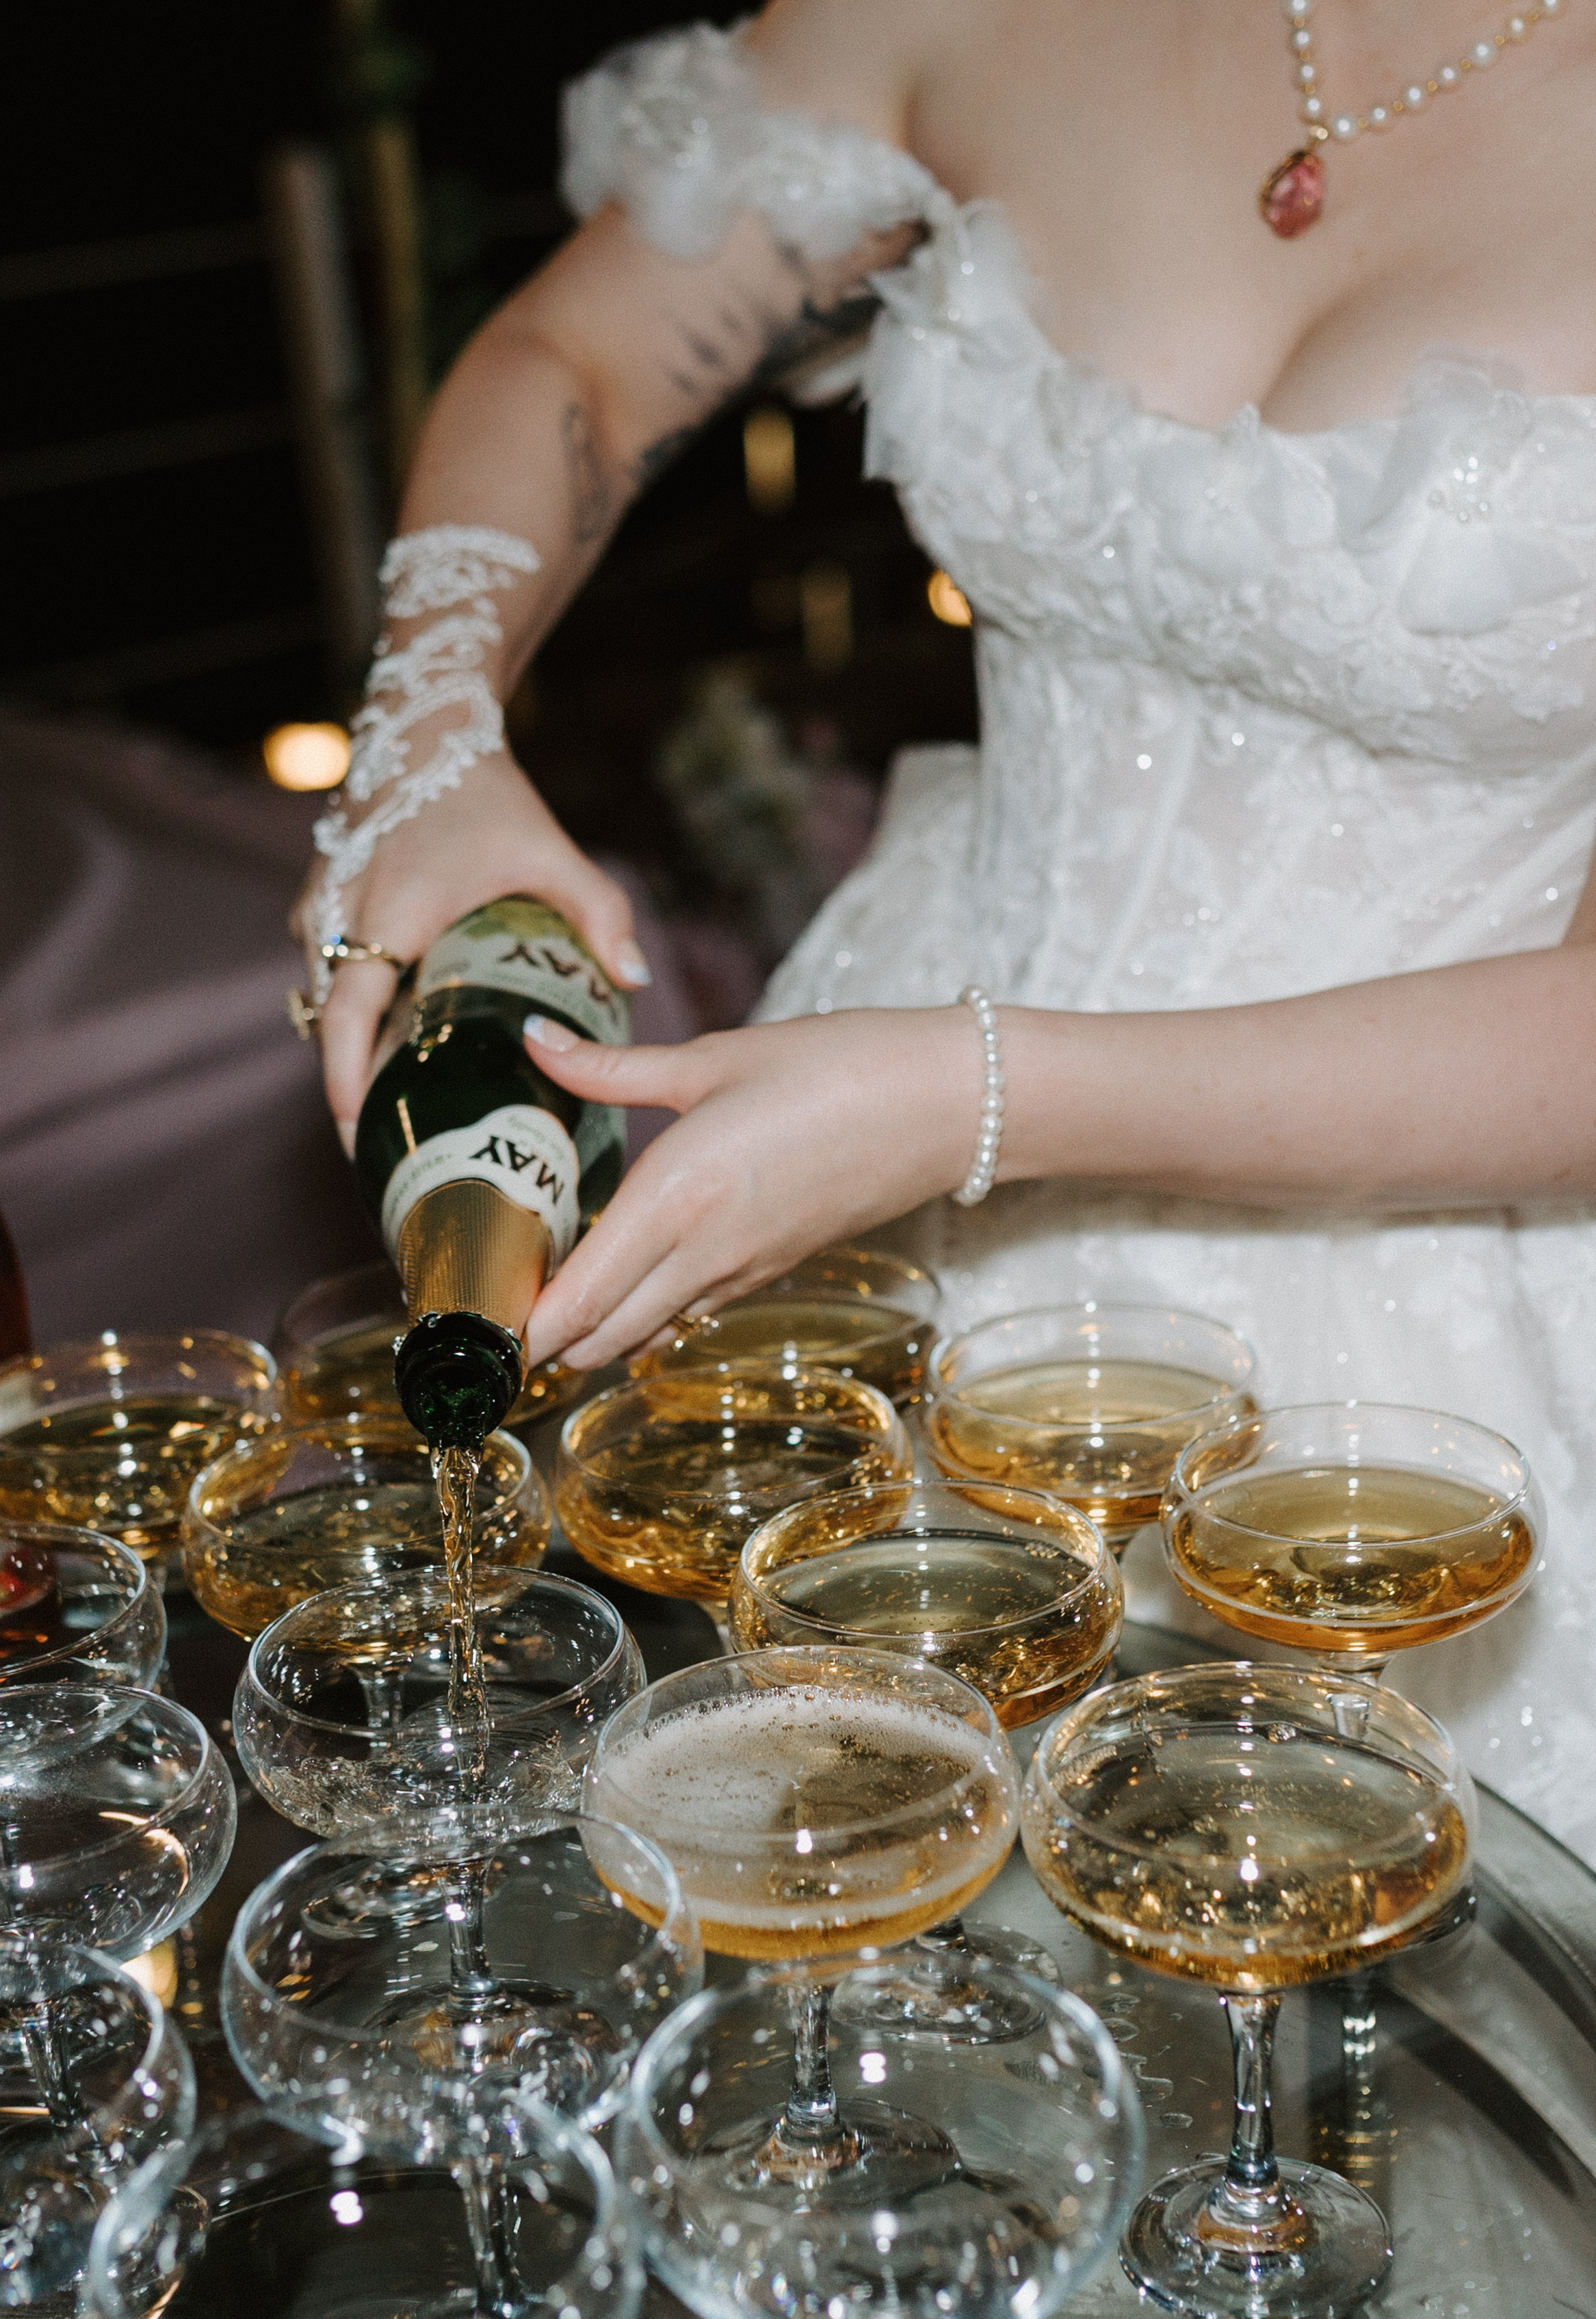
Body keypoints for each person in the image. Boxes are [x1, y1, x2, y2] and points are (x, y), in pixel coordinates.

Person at [293, 0, 1596, 1858]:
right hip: (869, 1185)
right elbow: (573, 358)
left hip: (1446, 1314)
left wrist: (983, 1095)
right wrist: (428, 722)